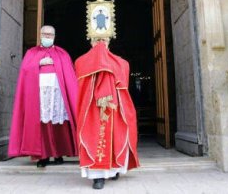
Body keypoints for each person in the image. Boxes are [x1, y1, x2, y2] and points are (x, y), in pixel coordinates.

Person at [8, 25, 78, 167]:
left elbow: (70, 75)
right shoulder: (32, 53)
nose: (47, 36)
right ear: (40, 35)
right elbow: (25, 71)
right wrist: (39, 63)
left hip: (58, 96)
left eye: (50, 34)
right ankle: (43, 156)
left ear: (54, 36)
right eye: (45, 34)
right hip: (39, 96)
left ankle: (59, 154)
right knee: (42, 125)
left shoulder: (62, 54)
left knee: (60, 125)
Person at [76, 38, 140, 190]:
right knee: (95, 139)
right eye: (96, 40)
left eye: (103, 40)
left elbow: (123, 84)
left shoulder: (120, 63)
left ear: (109, 42)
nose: (100, 43)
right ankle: (98, 177)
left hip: (114, 108)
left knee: (116, 137)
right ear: (90, 42)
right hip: (92, 109)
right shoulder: (82, 62)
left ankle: (115, 169)